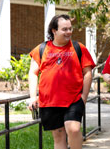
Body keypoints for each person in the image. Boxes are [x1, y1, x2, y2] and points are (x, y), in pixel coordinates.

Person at [28, 14, 95, 149]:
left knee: (74, 129)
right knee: (59, 136)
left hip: (74, 99)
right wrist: (32, 97)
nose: (69, 32)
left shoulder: (78, 48)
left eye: (70, 29)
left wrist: (84, 97)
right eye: (65, 29)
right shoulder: (41, 49)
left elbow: (88, 73)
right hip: (49, 101)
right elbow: (33, 73)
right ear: (54, 30)